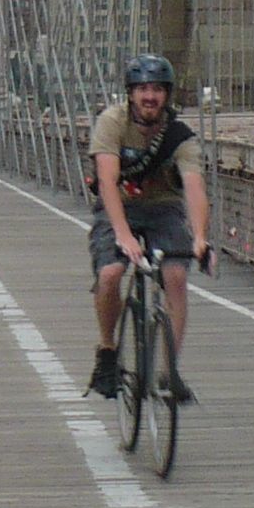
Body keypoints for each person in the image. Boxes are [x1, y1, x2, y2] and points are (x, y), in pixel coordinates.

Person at [85, 52, 212, 404]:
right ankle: (108, 352)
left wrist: (200, 237)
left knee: (175, 275)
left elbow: (195, 187)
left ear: (167, 95)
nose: (149, 96)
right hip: (119, 207)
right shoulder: (111, 122)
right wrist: (123, 236)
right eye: (142, 88)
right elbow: (108, 182)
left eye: (157, 89)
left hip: (163, 209)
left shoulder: (180, 136)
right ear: (130, 93)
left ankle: (169, 370)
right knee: (111, 273)